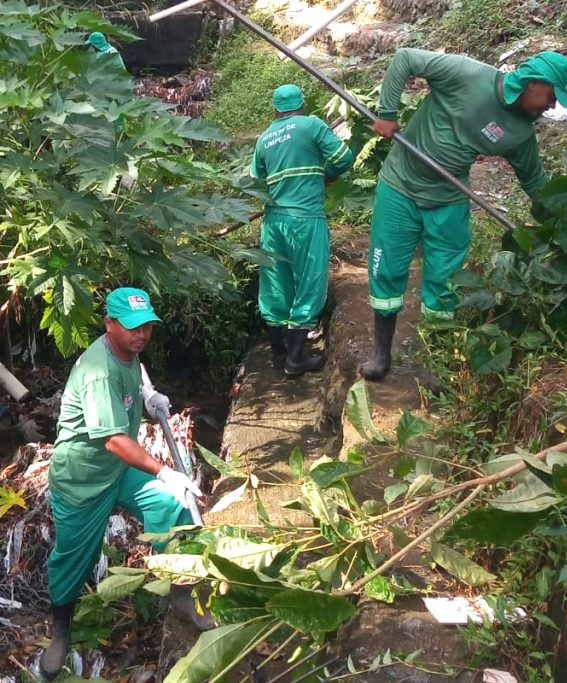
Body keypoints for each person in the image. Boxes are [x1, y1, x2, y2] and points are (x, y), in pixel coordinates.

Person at [362, 49, 567, 380]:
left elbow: (535, 181)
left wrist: (562, 225)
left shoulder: (520, 133)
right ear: (536, 82)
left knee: (444, 283)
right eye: (551, 96)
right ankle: (380, 353)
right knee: (385, 270)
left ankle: (435, 363)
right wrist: (387, 113)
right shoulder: (467, 74)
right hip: (400, 188)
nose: (551, 106)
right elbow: (405, 58)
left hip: (449, 200)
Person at [40, 287, 213, 678]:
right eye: (132, 327)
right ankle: (60, 634)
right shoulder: (97, 370)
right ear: (109, 325)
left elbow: (132, 383)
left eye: (147, 327)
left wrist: (148, 396)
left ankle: (180, 593)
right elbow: (115, 439)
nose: (141, 335)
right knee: (71, 561)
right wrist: (165, 470)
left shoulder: (128, 354)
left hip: (117, 472)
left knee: (171, 507)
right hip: (83, 479)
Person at [250, 84, 355, 375]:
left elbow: (256, 181)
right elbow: (344, 157)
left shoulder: (264, 138)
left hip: (272, 222)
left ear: (275, 109)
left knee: (275, 286)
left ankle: (280, 355)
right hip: (305, 219)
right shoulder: (311, 125)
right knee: (309, 282)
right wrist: (326, 177)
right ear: (302, 104)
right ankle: (297, 360)